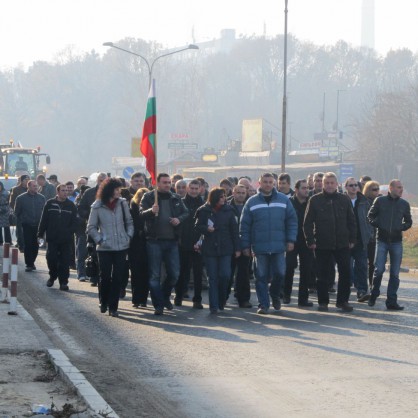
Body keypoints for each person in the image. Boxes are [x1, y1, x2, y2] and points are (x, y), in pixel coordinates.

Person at [240, 172, 298, 315]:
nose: (267, 184)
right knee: (261, 276)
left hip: (279, 246)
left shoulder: (284, 200)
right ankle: (263, 305)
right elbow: (244, 225)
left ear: (274, 183)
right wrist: (245, 245)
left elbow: (292, 221)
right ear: (259, 183)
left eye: (270, 182)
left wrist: (291, 240)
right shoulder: (252, 202)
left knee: (280, 273)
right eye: (265, 181)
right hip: (260, 247)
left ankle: (275, 293)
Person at [303, 172, 357, 312]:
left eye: (332, 183)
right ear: (322, 184)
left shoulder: (344, 199)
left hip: (342, 243)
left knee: (345, 272)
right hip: (322, 243)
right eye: (326, 183)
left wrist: (352, 239)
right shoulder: (315, 200)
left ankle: (342, 301)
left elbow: (351, 221)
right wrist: (310, 241)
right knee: (322, 275)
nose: (329, 185)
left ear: (337, 184)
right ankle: (323, 302)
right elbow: (307, 223)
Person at [140, 173, 189, 315]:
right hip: (154, 241)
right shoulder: (149, 197)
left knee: (174, 274)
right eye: (165, 182)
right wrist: (151, 211)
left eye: (169, 182)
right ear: (157, 183)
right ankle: (158, 304)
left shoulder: (176, 197)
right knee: (155, 275)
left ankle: (165, 296)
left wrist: (179, 219)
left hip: (172, 242)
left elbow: (186, 213)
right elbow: (141, 214)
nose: (168, 185)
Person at [87, 178, 134, 317]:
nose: (120, 192)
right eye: (117, 189)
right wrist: (99, 239)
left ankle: (113, 307)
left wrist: (128, 236)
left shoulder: (122, 203)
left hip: (121, 245)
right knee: (105, 276)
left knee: (118, 276)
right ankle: (104, 301)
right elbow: (91, 227)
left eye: (120, 189)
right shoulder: (97, 205)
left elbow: (129, 222)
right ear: (109, 190)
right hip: (104, 247)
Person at [367, 179, 412, 310]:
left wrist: (400, 227)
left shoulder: (404, 204)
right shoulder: (380, 201)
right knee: (379, 270)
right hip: (381, 240)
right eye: (398, 187)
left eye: (402, 187)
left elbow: (409, 222)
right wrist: (379, 224)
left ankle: (391, 301)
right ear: (391, 188)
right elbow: (370, 216)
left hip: (397, 242)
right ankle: (374, 295)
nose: (401, 190)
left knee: (395, 273)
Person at [195, 187, 240, 314]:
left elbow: (235, 231)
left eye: (224, 196)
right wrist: (205, 229)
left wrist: (237, 248)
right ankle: (214, 305)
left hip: (226, 248)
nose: (224, 199)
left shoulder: (229, 211)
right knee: (212, 278)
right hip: (210, 248)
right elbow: (197, 226)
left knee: (225, 275)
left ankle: (222, 300)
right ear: (214, 198)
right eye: (221, 196)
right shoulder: (204, 210)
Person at [38, 184, 77, 291]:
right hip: (52, 238)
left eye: (66, 190)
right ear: (58, 192)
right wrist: (40, 234)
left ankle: (63, 282)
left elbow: (75, 222)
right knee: (51, 259)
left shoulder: (71, 205)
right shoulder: (50, 204)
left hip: (66, 239)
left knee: (65, 262)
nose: (65, 192)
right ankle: (52, 276)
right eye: (63, 190)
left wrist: (69, 231)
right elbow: (44, 220)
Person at [283, 179, 314, 307]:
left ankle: (303, 299)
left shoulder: (311, 202)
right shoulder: (288, 203)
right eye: (303, 188)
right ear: (296, 190)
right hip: (292, 239)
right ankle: (286, 294)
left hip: (306, 240)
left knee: (306, 269)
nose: (306, 190)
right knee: (289, 266)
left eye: (307, 188)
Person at [175, 179, 205, 309]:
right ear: (187, 189)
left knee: (198, 273)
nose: (193, 191)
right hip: (183, 243)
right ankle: (178, 296)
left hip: (198, 244)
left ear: (200, 189)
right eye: (191, 188)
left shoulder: (204, 204)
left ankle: (197, 299)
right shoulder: (180, 203)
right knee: (182, 272)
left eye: (196, 188)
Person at [344, 177, 373, 302]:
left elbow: (370, 219)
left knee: (362, 266)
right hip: (344, 239)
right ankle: (344, 290)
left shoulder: (364, 201)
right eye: (351, 185)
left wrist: (370, 233)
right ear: (346, 187)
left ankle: (362, 291)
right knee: (346, 267)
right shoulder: (341, 200)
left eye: (355, 185)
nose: (354, 187)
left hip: (360, 239)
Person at [78, 172, 107, 286]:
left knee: (105, 254)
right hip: (93, 229)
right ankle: (94, 277)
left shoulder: (111, 193)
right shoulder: (89, 193)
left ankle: (103, 276)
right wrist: (92, 215)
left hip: (107, 229)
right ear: (97, 181)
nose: (102, 183)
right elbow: (81, 209)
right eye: (101, 181)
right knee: (93, 253)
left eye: (105, 181)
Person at [228, 184, 252, 308]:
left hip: (245, 244)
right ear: (233, 192)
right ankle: (223, 297)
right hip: (229, 245)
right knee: (227, 273)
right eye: (238, 192)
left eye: (243, 193)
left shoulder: (249, 206)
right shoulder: (226, 206)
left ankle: (243, 298)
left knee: (243, 273)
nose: (241, 195)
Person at [14, 180, 45, 272]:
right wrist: (22, 220)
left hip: (38, 225)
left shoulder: (41, 198)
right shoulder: (20, 198)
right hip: (26, 225)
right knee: (28, 244)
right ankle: (29, 264)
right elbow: (17, 212)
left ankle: (32, 262)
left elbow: (44, 211)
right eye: (34, 186)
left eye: (36, 186)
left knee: (35, 245)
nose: (36, 187)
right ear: (29, 187)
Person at [129, 187, 150, 308]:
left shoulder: (150, 209)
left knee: (146, 272)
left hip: (148, 241)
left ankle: (143, 299)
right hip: (135, 243)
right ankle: (136, 298)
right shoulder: (132, 208)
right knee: (136, 272)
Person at [362, 180, 380, 287]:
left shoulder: (380, 201)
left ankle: (372, 283)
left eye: (378, 189)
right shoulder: (365, 202)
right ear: (368, 190)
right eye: (374, 189)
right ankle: (362, 284)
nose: (377, 191)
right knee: (363, 263)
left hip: (376, 237)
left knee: (373, 263)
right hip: (366, 236)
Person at [9, 174, 30, 251]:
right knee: (20, 230)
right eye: (25, 180)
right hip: (20, 213)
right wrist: (16, 210)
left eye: (28, 179)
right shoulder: (16, 189)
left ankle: (26, 244)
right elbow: (12, 202)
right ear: (22, 181)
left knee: (28, 230)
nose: (27, 181)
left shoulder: (31, 189)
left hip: (29, 213)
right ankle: (21, 245)